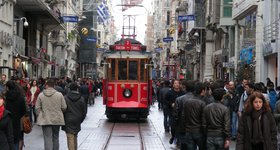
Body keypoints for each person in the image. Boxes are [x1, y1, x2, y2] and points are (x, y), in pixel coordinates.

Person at [35, 78, 67, 150]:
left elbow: (37, 108)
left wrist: (40, 115)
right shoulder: (59, 95)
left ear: (46, 85)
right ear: (54, 86)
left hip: (45, 119)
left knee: (47, 138)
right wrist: (59, 112)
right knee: (56, 137)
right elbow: (64, 107)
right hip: (56, 119)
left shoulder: (41, 95)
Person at [62, 82, 87, 150]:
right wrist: (81, 119)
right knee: (75, 136)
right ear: (77, 89)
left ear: (70, 89)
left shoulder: (65, 98)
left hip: (68, 119)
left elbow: (63, 109)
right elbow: (84, 112)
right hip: (77, 119)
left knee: (70, 137)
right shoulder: (81, 98)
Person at [182, 82, 206, 150]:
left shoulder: (187, 102)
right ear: (202, 91)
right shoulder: (202, 103)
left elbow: (183, 117)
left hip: (188, 131)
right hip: (199, 131)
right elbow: (204, 120)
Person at [5, 80, 27, 150]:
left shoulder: (5, 97)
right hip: (17, 120)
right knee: (16, 139)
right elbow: (24, 111)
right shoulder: (20, 96)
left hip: (7, 120)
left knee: (8, 138)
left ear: (7, 87)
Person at [165, 79, 185, 146]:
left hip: (180, 114)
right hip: (172, 113)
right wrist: (171, 104)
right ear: (173, 85)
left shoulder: (182, 93)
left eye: (178, 83)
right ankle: (173, 136)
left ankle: (178, 142)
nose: (176, 85)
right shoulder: (169, 93)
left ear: (180, 85)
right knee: (173, 127)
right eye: (175, 83)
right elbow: (165, 101)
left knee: (179, 128)